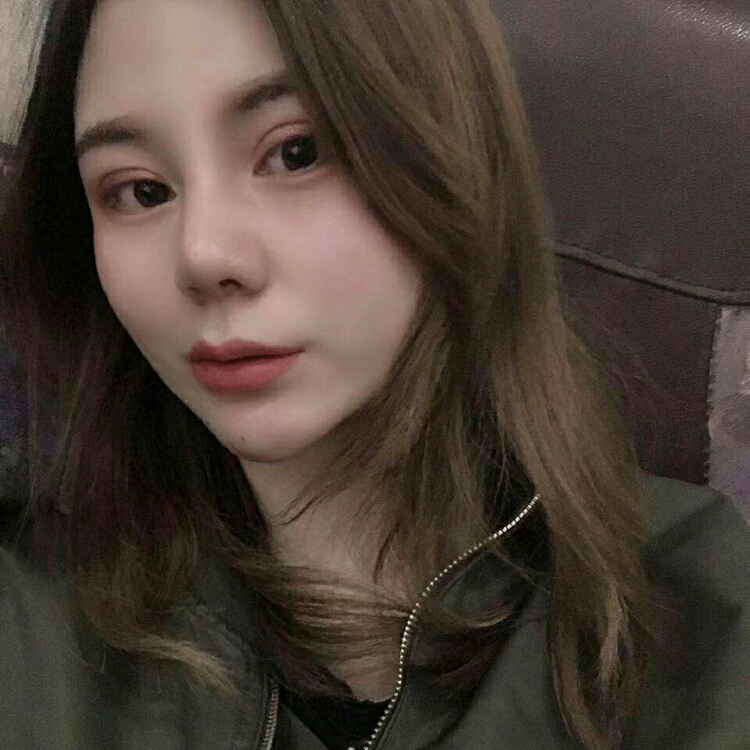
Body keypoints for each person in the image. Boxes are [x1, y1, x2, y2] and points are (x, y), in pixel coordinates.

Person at [0, 0, 748, 748]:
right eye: (140, 191)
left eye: (296, 152)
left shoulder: (705, 618)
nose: (202, 254)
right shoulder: (32, 621)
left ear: (457, 158)